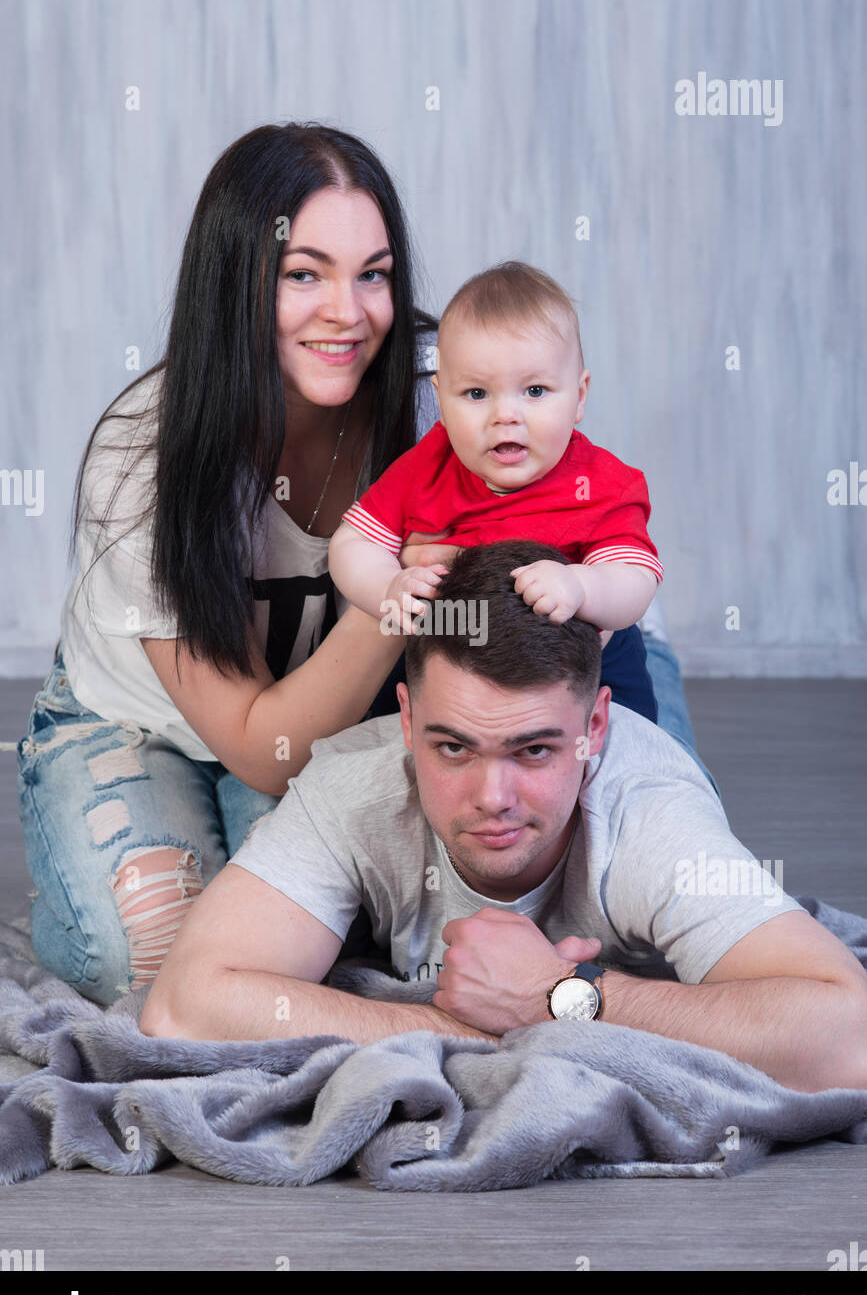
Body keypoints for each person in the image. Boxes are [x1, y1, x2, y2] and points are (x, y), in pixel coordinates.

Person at [16, 120, 711, 1010]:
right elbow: (263, 750)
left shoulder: (447, 390)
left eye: (373, 274)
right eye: (304, 274)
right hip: (165, 723)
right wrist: (396, 602)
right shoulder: (145, 457)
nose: (348, 312)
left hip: (360, 709)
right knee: (154, 963)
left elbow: (593, 524)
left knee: (393, 931)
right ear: (235, 281)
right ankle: (87, 855)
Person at [139, 541, 867, 1094]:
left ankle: (637, 639)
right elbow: (182, 1006)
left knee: (648, 697)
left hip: (626, 727)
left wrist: (557, 998)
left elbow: (851, 1038)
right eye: (452, 746)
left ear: (593, 730)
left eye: (533, 749)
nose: (492, 795)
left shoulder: (647, 813)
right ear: (405, 721)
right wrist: (474, 1028)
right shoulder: (354, 782)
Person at [331, 261, 662, 687]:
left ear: (579, 398)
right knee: (392, 714)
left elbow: (636, 581)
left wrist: (581, 585)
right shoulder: (426, 467)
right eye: (476, 393)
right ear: (441, 401)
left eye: (535, 391)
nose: (505, 415)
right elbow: (353, 542)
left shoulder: (604, 485)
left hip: (581, 664)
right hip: (451, 652)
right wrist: (388, 587)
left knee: (621, 739)